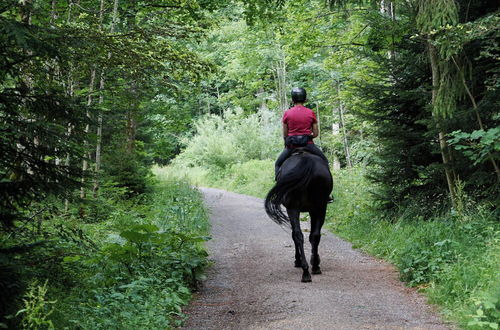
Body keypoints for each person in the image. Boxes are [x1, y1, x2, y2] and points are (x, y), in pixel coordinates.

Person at [275, 87, 330, 179]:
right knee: (325, 161)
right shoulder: (310, 112)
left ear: (292, 100)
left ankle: (278, 188)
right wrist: (309, 136)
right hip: (308, 144)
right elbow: (316, 133)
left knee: (278, 164)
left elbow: (285, 134)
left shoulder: (287, 113)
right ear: (305, 99)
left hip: (292, 146)